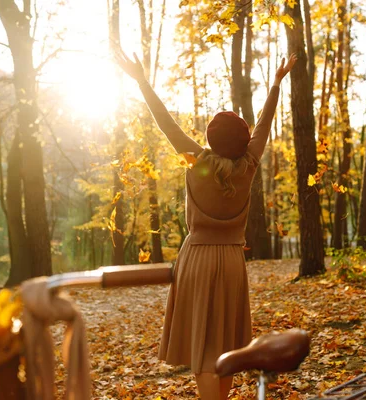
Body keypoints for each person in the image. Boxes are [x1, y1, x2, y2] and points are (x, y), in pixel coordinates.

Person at [115, 49, 297, 400]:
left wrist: (140, 80)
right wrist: (276, 83)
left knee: (203, 339)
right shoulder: (249, 165)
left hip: (196, 259)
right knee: (226, 340)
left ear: (212, 140)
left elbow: (166, 124)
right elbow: (265, 123)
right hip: (231, 261)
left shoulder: (195, 161)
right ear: (243, 141)